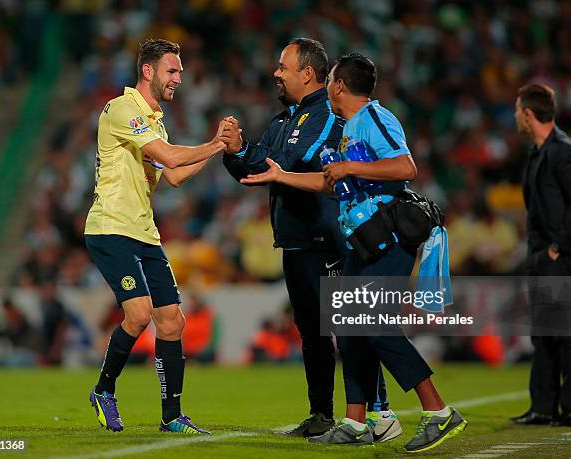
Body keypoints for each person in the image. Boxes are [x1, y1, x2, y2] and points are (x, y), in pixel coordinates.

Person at [242, 53, 467, 451]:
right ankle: (356, 422)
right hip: (363, 238)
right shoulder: (350, 129)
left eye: (329, 80)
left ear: (339, 85)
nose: (326, 86)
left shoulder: (375, 117)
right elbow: (331, 183)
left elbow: (405, 167)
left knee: (374, 325)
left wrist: (351, 169)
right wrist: (281, 175)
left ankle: (439, 412)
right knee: (349, 327)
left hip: (389, 236)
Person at [221, 38, 397, 441]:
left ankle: (378, 414)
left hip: (329, 237)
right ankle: (321, 413)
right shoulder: (284, 120)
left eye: (283, 66)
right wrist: (235, 151)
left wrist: (251, 151)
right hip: (296, 240)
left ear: (308, 74)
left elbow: (290, 162)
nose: (276, 73)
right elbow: (256, 171)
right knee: (312, 334)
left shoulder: (326, 117)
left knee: (349, 329)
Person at [85, 38, 232, 435]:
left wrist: (216, 150)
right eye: (172, 70)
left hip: (144, 232)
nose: (179, 78)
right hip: (111, 227)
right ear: (148, 71)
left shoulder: (154, 121)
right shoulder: (122, 109)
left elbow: (177, 176)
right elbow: (169, 158)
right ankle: (104, 390)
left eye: (180, 71)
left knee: (172, 322)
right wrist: (215, 142)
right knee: (139, 313)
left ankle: (171, 417)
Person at [510, 83, 571, 426]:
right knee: (543, 333)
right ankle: (543, 407)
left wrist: (558, 246)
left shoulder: (561, 151)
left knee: (563, 334)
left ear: (529, 114)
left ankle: (568, 407)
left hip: (558, 257)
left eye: (519, 110)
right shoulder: (538, 151)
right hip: (541, 256)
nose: (516, 116)